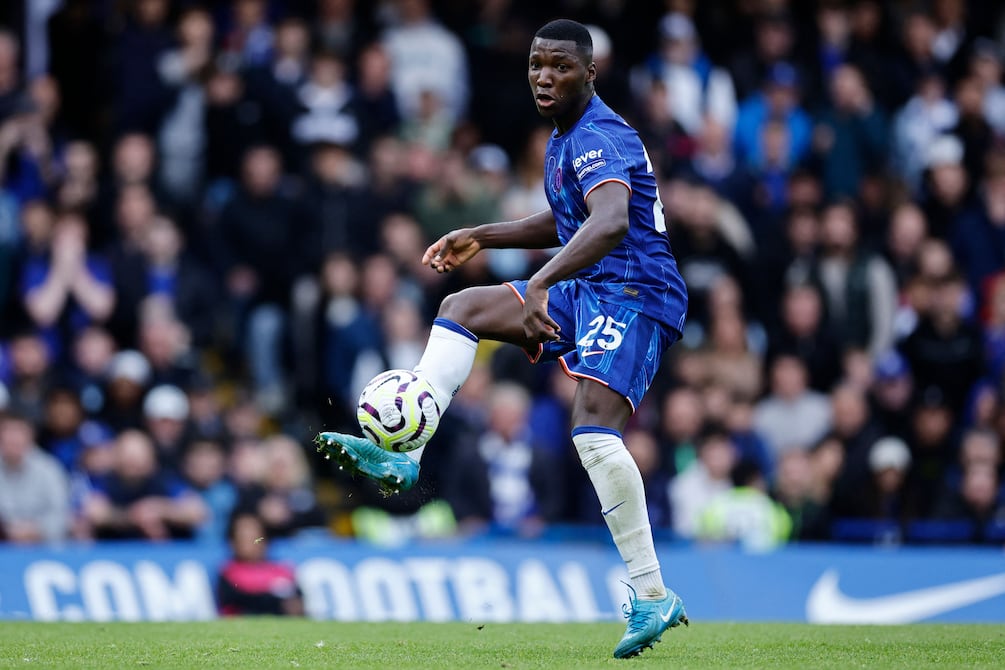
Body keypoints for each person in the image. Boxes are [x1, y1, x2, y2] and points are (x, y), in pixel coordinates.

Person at [316, 19, 689, 658]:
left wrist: (540, 282)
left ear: (589, 73)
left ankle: (653, 593)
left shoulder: (599, 133)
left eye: (560, 67)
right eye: (537, 64)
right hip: (590, 285)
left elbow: (608, 223)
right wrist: (483, 235)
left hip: (633, 292)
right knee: (463, 306)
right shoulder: (565, 137)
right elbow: (566, 217)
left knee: (593, 433)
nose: (545, 77)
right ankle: (409, 453)